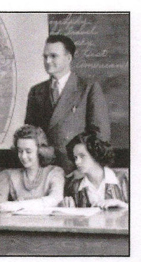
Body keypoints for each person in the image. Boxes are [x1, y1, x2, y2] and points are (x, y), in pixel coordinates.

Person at [24, 34, 110, 173]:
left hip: (76, 170)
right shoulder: (36, 91)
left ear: (68, 58)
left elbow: (100, 135)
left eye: (53, 56)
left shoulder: (88, 88)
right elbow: (29, 134)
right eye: (45, 56)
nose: (48, 61)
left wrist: (85, 168)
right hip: (44, 171)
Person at [0, 125, 65, 212]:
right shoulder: (9, 175)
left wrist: (18, 205)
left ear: (40, 150)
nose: (23, 156)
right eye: (20, 151)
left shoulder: (55, 172)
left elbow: (55, 199)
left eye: (28, 151)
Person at [62, 129, 128, 209]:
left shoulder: (124, 179)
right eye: (75, 157)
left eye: (82, 156)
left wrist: (121, 204)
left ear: (95, 154)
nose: (77, 162)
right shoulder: (75, 187)